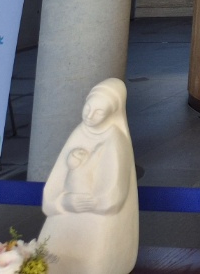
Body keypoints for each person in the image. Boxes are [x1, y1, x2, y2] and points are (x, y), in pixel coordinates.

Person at [40, 78, 138, 274]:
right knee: (48, 260)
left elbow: (114, 193)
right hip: (66, 212)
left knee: (92, 265)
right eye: (88, 107)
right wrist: (63, 202)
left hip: (97, 220)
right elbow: (56, 181)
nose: (90, 115)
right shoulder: (79, 133)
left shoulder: (115, 140)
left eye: (99, 111)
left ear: (111, 112)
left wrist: (93, 202)